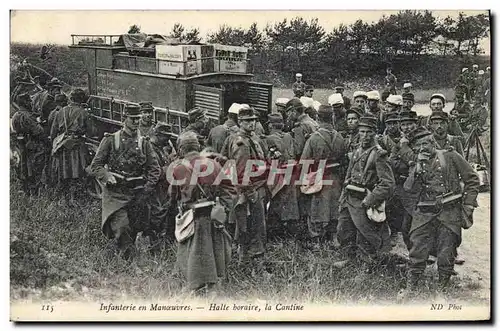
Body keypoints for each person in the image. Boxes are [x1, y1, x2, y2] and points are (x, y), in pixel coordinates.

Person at [402, 127, 479, 293]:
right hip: (424, 213)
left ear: (432, 142)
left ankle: (442, 290)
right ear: (415, 148)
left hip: (449, 211)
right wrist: (416, 170)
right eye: (419, 145)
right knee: (417, 251)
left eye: (426, 143)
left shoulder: (450, 156)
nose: (423, 148)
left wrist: (469, 204)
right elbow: (408, 189)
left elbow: (473, 179)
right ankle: (411, 289)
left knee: (446, 253)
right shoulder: (415, 164)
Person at [89, 104, 161, 261]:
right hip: (116, 193)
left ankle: (125, 254)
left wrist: (147, 189)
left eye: (138, 119)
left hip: (137, 193)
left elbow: (155, 169)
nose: (136, 122)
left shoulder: (144, 143)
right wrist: (107, 176)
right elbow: (96, 166)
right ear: (124, 119)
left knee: (134, 228)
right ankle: (129, 262)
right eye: (132, 119)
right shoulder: (110, 140)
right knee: (122, 227)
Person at [169, 131, 232, 295]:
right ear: (198, 147)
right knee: (214, 250)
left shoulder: (179, 168)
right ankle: (213, 285)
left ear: (181, 149)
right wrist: (223, 208)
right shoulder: (214, 165)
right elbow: (229, 188)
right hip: (212, 215)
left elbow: (173, 195)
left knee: (191, 253)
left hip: (192, 216)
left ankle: (194, 286)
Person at [337, 114, 395, 266]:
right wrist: (343, 197)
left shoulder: (379, 154)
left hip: (365, 199)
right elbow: (348, 175)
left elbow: (388, 183)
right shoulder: (356, 150)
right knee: (344, 230)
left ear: (375, 132)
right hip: (350, 197)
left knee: (365, 234)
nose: (365, 136)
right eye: (362, 132)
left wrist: (370, 200)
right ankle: (350, 259)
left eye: (369, 132)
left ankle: (367, 265)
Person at [226, 106, 268, 266]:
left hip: (253, 186)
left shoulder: (251, 138)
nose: (252, 123)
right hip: (250, 189)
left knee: (245, 225)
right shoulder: (240, 143)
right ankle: (254, 261)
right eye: (248, 121)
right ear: (240, 122)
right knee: (255, 226)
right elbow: (242, 172)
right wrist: (251, 194)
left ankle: (243, 258)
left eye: (254, 120)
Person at [301, 105, 348, 247]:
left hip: (318, 177)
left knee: (316, 207)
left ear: (317, 118)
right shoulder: (339, 137)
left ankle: (316, 240)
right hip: (335, 177)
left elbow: (305, 161)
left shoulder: (314, 138)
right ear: (332, 118)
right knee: (334, 207)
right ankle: (333, 237)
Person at [50, 88, 91, 204]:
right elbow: (92, 131)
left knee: (64, 171)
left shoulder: (61, 112)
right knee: (76, 172)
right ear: (81, 99)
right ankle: (74, 199)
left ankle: (64, 199)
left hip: (63, 144)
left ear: (70, 98)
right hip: (76, 145)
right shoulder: (83, 112)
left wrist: (54, 144)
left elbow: (53, 131)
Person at [264, 113, 300, 239]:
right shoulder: (289, 136)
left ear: (270, 125)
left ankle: (274, 233)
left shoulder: (269, 139)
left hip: (276, 174)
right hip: (290, 173)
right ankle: (289, 232)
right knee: (289, 202)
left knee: (275, 202)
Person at [10, 92, 49, 194]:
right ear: (26, 103)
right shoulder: (27, 116)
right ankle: (35, 190)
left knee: (23, 165)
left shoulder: (15, 115)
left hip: (21, 143)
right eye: (29, 101)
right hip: (33, 144)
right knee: (35, 167)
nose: (31, 103)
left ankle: (25, 188)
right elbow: (38, 131)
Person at [147, 122, 176, 249]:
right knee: (156, 217)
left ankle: (164, 245)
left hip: (163, 187)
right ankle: (155, 247)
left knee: (165, 214)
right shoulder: (150, 149)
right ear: (158, 135)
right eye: (166, 137)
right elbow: (154, 171)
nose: (168, 140)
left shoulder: (160, 147)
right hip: (155, 189)